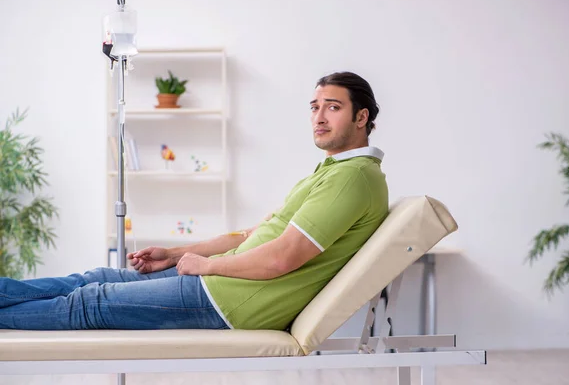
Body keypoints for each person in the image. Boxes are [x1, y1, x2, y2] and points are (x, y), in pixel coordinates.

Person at [0, 71, 389, 331]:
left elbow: (280, 258)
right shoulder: (331, 170)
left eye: (333, 107)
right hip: (227, 279)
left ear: (361, 117)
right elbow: (252, 234)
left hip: (234, 299)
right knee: (96, 278)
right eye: (315, 107)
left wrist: (209, 265)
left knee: (89, 302)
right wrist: (176, 253)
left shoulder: (352, 178)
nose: (319, 117)